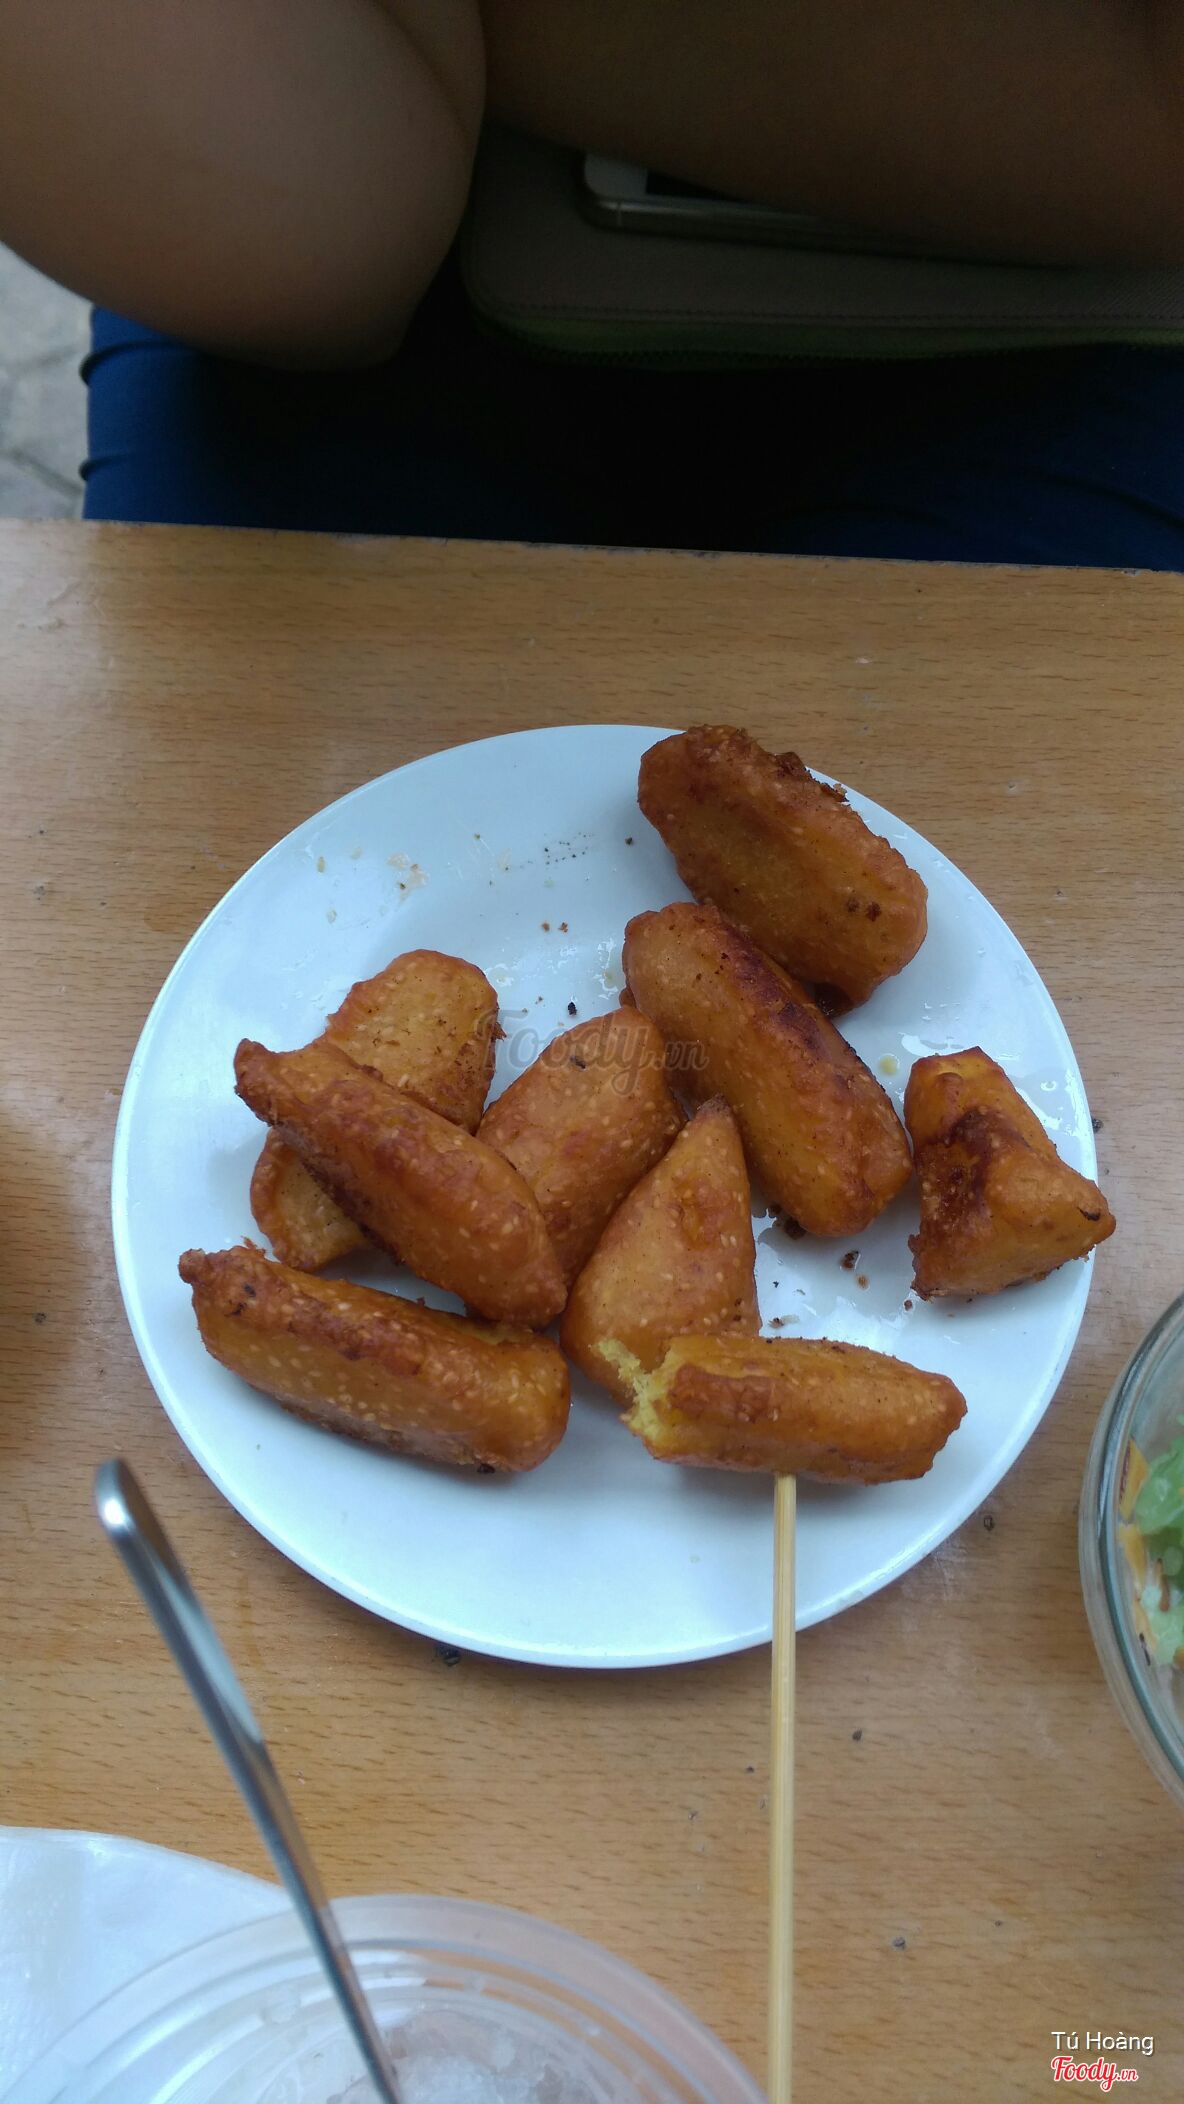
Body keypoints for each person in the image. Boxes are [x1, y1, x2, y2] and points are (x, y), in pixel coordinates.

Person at [8, 0, 1184, 562]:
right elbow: (325, 241)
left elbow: (1148, 142)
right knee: (224, 882)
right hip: (407, 294)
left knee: (1026, 926)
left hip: (1083, 322)